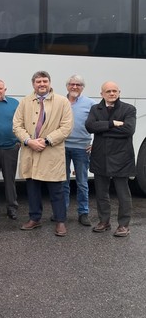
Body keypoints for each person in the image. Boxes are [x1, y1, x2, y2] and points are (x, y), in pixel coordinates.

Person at [13, 71, 73, 237]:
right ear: (33, 84)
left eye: (44, 81)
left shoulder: (62, 102)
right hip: (30, 151)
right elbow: (17, 125)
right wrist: (28, 141)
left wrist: (46, 140)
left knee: (56, 189)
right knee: (33, 188)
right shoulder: (25, 102)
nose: (42, 84)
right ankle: (35, 218)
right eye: (38, 81)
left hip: (51, 151)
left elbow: (66, 127)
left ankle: (60, 221)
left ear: (50, 83)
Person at [86, 81, 135, 237]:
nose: (112, 93)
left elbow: (128, 130)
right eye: (108, 91)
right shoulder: (95, 108)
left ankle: (123, 225)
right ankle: (104, 222)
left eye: (115, 91)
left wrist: (103, 130)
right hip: (100, 157)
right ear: (102, 94)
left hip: (122, 157)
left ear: (119, 92)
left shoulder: (129, 109)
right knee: (101, 193)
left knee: (123, 194)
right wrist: (112, 124)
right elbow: (89, 126)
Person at [61, 75, 97, 226]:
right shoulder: (60, 102)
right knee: (63, 182)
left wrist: (95, 142)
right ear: (67, 86)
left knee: (82, 182)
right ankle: (61, 212)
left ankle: (83, 213)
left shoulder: (91, 103)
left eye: (78, 84)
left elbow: (99, 124)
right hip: (61, 147)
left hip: (82, 148)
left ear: (83, 87)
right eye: (72, 84)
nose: (74, 87)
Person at [0, 79, 20, 220]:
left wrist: (18, 142)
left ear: (5, 89)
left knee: (10, 180)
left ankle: (12, 207)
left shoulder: (14, 103)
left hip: (11, 148)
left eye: (0, 88)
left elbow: (21, 122)